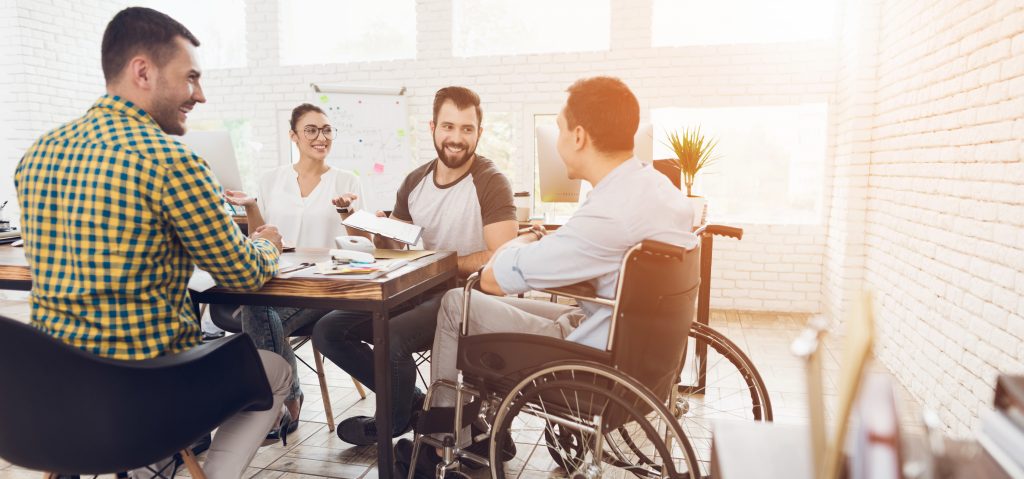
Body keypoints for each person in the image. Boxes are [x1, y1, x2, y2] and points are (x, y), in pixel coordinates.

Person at [14, 7, 291, 479]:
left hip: (51, 403)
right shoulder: (172, 162)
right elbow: (240, 271)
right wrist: (267, 242)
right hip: (147, 398)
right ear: (142, 71)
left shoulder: (37, 154)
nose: (199, 95)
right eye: (191, 78)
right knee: (273, 370)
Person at [394, 76, 699, 475]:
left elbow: (495, 278)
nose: (556, 141)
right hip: (635, 347)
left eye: (557, 128)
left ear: (578, 136)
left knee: (458, 302)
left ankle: (442, 443)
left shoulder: (608, 214)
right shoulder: (660, 190)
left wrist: (520, 242)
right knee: (503, 304)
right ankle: (472, 427)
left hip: (592, 357)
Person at [312, 86, 519, 446]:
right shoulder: (414, 182)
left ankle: (389, 424)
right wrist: (376, 230)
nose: (456, 138)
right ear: (433, 127)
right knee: (329, 330)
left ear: (479, 133)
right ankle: (409, 405)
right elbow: (395, 249)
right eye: (448, 127)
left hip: (470, 297)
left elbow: (502, 256)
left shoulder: (490, 181)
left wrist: (439, 263)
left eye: (467, 129)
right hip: (421, 289)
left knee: (392, 338)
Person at [220, 103, 365, 441]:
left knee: (253, 317)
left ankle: (277, 404)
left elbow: (363, 246)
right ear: (294, 136)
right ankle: (290, 396)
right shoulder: (272, 179)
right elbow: (262, 236)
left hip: (325, 288)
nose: (321, 137)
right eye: (311, 130)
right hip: (279, 283)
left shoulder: (346, 180)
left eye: (327, 130)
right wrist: (253, 207)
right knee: (258, 308)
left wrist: (347, 213)